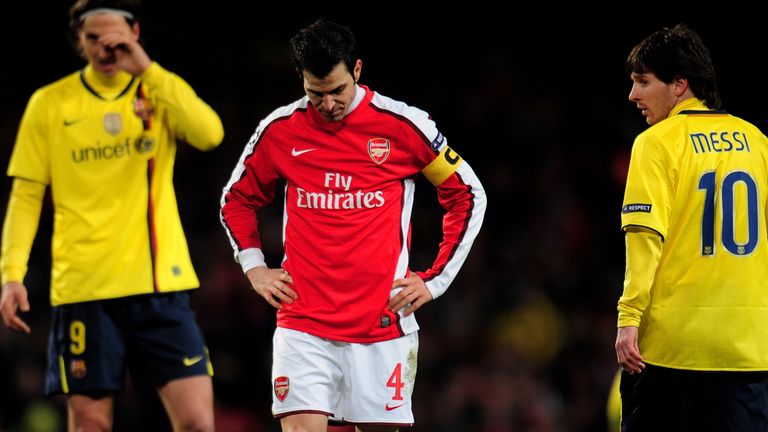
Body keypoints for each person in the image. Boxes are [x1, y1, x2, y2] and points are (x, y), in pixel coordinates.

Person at [220, 19, 486, 432]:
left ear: (357, 71)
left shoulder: (403, 126)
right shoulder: (279, 130)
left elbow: (467, 193)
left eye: (337, 91)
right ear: (301, 81)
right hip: (303, 323)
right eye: (315, 93)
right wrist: (254, 267)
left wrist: (434, 281)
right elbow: (236, 199)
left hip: (382, 324)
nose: (327, 104)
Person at [0, 0, 223, 430]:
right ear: (79, 42)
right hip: (84, 290)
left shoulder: (156, 91)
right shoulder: (49, 103)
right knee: (90, 424)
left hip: (160, 285)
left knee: (197, 421)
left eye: (114, 38)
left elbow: (210, 134)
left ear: (135, 33)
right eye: (93, 39)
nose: (105, 48)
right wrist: (12, 274)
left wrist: (148, 70)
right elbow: (25, 196)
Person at [615, 23, 768, 431]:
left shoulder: (657, 142)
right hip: (747, 353)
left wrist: (628, 318)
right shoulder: (757, 141)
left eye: (643, 82)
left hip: (671, 353)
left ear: (680, 85)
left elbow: (645, 238)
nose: (633, 95)